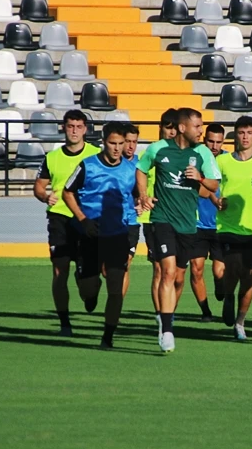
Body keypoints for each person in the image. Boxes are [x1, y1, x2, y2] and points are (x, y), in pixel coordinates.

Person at [137, 108, 221, 353]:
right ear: (183, 128)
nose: (201, 131)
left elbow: (214, 184)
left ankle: (165, 317)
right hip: (162, 220)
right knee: (167, 271)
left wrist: (200, 178)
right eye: (197, 126)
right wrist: (143, 195)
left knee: (179, 277)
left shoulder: (203, 152)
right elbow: (141, 170)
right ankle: (167, 329)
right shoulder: (157, 149)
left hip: (188, 224)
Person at [62, 122, 140, 350]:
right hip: (90, 233)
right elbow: (67, 192)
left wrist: (143, 200)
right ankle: (86, 286)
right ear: (103, 142)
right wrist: (83, 219)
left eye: (121, 143)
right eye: (112, 143)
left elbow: (136, 195)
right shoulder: (87, 166)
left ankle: (108, 336)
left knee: (116, 288)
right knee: (89, 289)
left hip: (118, 235)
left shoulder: (130, 170)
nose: (117, 148)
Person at [33, 110, 102, 336]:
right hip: (59, 219)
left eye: (78, 126)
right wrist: (45, 196)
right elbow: (39, 186)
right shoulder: (52, 157)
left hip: (87, 219)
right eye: (70, 126)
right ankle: (64, 322)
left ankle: (88, 287)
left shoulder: (95, 154)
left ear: (85, 129)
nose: (74, 131)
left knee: (88, 286)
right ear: (64, 127)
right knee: (59, 271)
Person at [214, 116, 252, 341]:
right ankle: (229, 296)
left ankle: (240, 321)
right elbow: (208, 186)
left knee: (248, 276)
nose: (245, 137)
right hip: (228, 226)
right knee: (232, 269)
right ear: (235, 135)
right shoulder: (222, 162)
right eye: (241, 132)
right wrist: (216, 200)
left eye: (249, 133)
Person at [137, 110, 179, 327]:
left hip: (177, 218)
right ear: (160, 128)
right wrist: (143, 196)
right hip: (153, 218)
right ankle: (160, 314)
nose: (171, 131)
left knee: (175, 271)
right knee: (160, 269)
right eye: (167, 127)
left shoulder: (182, 153)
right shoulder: (153, 152)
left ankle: (167, 309)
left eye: (174, 127)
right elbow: (139, 175)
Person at [192, 124, 226, 323]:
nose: (214, 145)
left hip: (221, 226)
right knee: (196, 268)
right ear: (205, 139)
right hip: (197, 224)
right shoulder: (196, 158)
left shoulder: (228, 160)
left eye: (218, 141)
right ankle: (205, 311)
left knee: (219, 272)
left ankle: (220, 286)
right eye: (210, 141)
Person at [121, 122, 142, 297]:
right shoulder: (111, 163)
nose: (131, 146)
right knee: (107, 269)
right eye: (128, 141)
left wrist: (143, 200)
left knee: (125, 264)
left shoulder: (141, 164)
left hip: (133, 221)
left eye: (134, 142)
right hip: (112, 220)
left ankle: (116, 305)